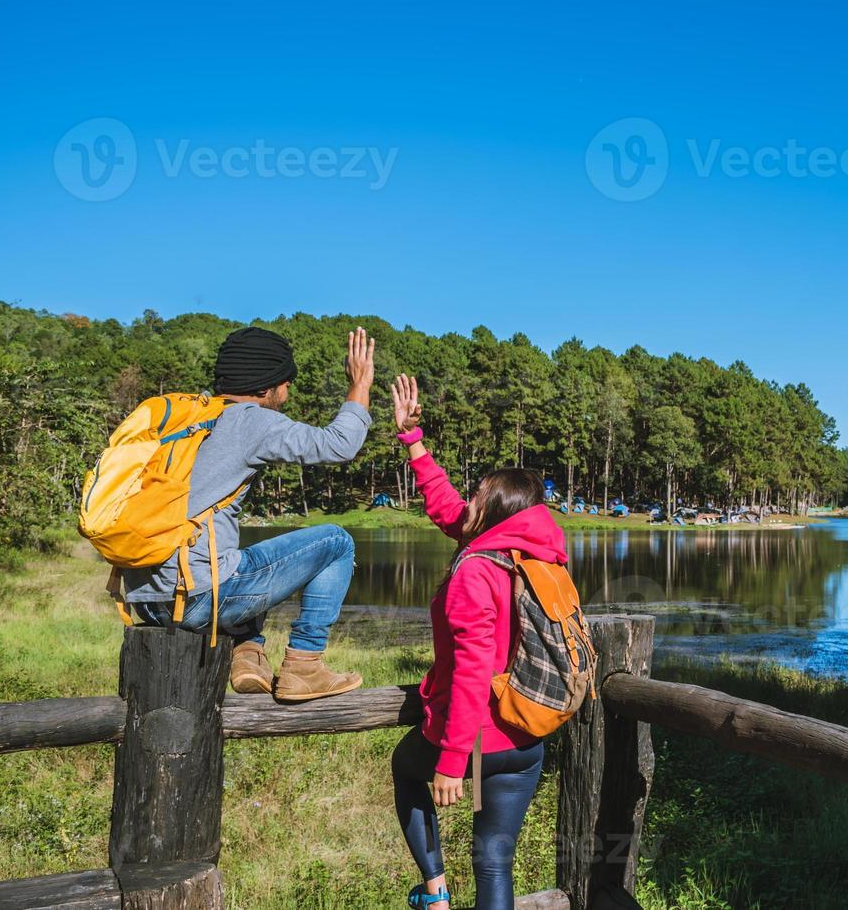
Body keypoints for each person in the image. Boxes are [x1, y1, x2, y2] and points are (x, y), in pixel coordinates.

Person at [124, 326, 375, 703]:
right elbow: (338, 445)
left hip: (147, 600)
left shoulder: (189, 419)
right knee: (336, 542)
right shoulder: (249, 420)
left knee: (241, 559)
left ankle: (248, 653)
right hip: (197, 600)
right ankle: (305, 664)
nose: (287, 394)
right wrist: (359, 386)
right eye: (285, 384)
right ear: (265, 387)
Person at [388, 374, 556, 910]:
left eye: (479, 495)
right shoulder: (533, 555)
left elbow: (472, 670)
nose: (470, 501)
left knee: (404, 769)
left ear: (495, 509)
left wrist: (452, 758)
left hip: (477, 738)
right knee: (494, 863)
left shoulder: (474, 572)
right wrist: (413, 441)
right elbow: (445, 507)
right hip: (526, 738)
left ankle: (435, 895)